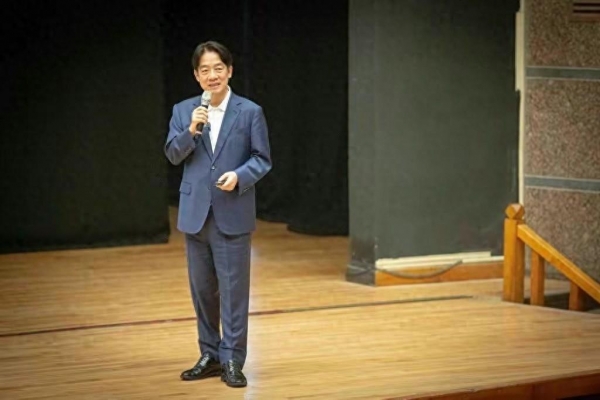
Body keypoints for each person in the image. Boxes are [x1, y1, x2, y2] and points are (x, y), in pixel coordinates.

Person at [164, 40, 272, 388]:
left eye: (218, 68)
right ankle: (209, 354)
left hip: (232, 212)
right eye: (205, 70)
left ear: (230, 71)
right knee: (203, 291)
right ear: (197, 76)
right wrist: (191, 130)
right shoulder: (184, 110)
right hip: (195, 215)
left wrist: (240, 176)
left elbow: (262, 159)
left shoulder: (249, 111)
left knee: (234, 292)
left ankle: (233, 360)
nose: (212, 75)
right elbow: (173, 154)